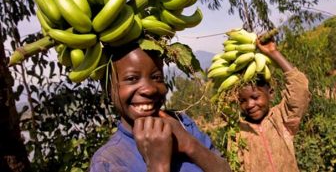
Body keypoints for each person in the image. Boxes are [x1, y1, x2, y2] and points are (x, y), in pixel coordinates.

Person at [90, 43, 231, 172]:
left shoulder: (183, 124)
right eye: (132, 78)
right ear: (108, 88)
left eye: (157, 77)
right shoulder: (109, 161)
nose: (149, 90)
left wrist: (189, 144)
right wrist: (158, 165)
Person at [236, 39, 311, 172]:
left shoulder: (281, 118)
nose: (249, 105)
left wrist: (274, 53)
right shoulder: (239, 133)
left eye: (255, 97)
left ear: (270, 93)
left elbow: (300, 90)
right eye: (242, 100)